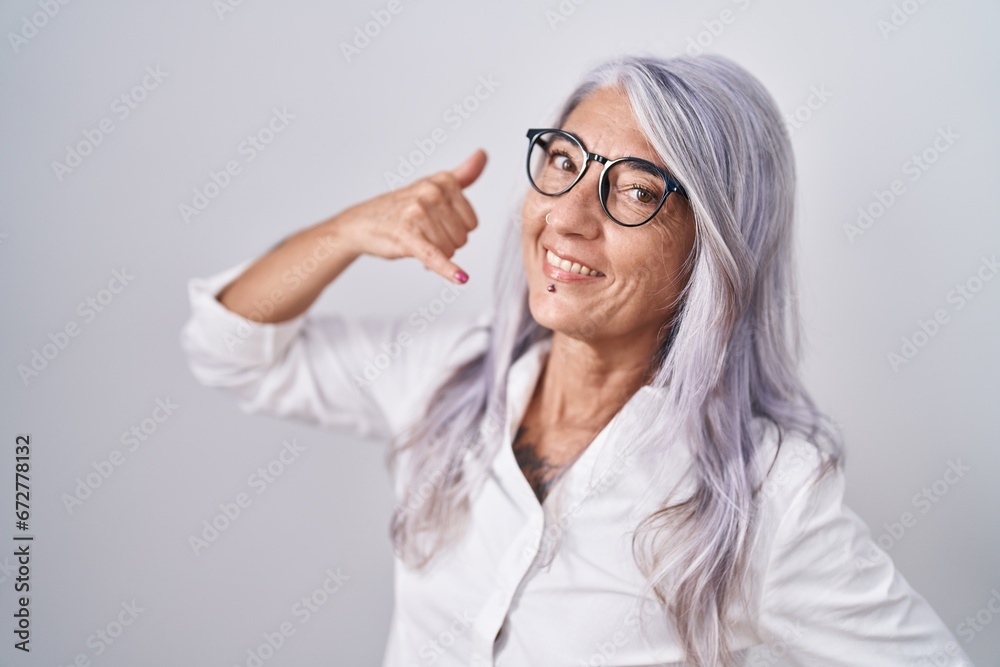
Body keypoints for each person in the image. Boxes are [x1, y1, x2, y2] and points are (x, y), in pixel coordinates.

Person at [180, 54, 972, 666]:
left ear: (713, 249)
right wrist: (348, 231)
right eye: (563, 161)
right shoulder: (449, 377)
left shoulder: (765, 497)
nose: (567, 216)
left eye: (633, 191)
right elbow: (230, 348)